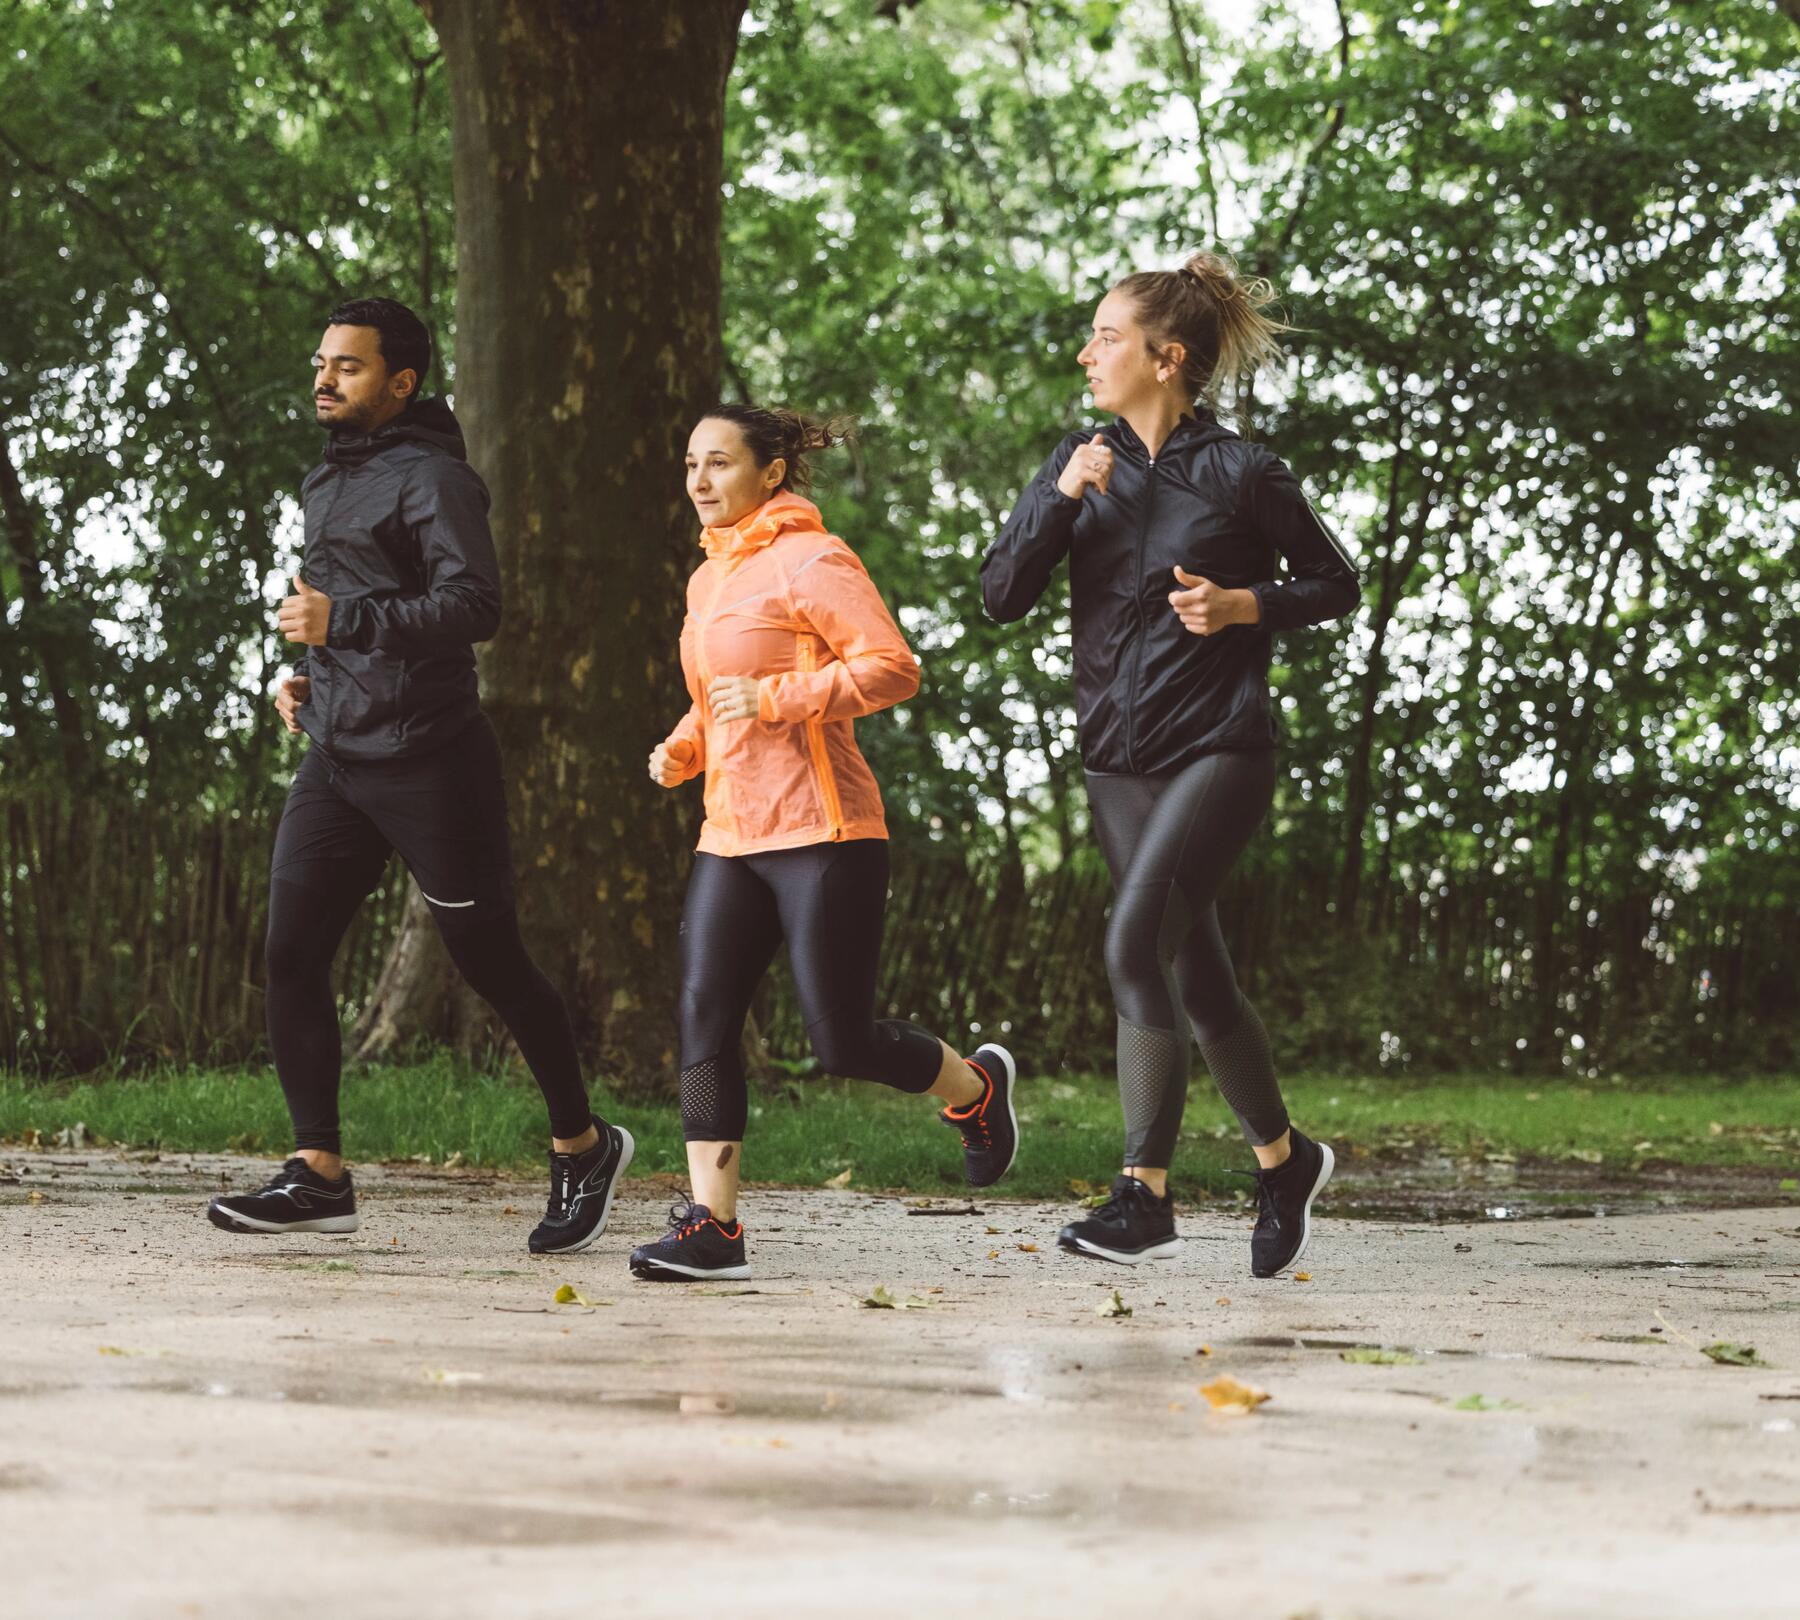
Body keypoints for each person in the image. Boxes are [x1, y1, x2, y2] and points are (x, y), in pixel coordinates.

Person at [206, 297, 631, 1255]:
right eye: (321, 362)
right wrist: (307, 678)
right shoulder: (326, 479)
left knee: (489, 962)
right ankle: (319, 1173)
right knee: (290, 955)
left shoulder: (436, 479)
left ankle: (583, 1143)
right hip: (336, 758)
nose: (324, 378)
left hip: (432, 762)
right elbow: (342, 607)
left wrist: (340, 628)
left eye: (348, 367)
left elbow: (472, 606)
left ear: (400, 382)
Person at [983, 253, 1360, 1276]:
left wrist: (1248, 605)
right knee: (1197, 976)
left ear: (1167, 356)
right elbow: (1002, 592)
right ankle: (1284, 1162)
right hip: (1117, 760)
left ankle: (1143, 1193)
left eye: (1105, 336)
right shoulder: (1081, 460)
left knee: (1133, 943)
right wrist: (1062, 497)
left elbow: (1337, 581)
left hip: (1218, 747)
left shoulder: (1243, 472)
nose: (1086, 352)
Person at [628, 404, 1018, 1282]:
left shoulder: (813, 558)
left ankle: (975, 1090)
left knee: (840, 1040)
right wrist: (686, 746)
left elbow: (891, 667)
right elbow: (714, 694)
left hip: (824, 830)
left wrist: (776, 701)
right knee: (702, 1019)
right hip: (730, 832)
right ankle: (712, 1227)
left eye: (718, 463)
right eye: (690, 462)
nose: (697, 480)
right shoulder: (707, 581)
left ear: (770, 472)